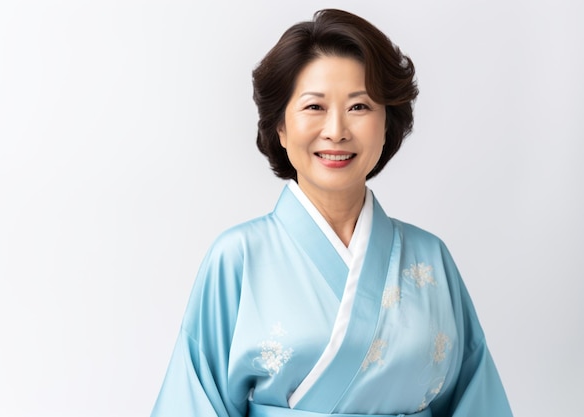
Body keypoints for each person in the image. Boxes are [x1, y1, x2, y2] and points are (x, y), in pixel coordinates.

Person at [151, 8, 512, 417]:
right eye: (314, 107)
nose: (337, 130)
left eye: (359, 107)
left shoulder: (431, 258)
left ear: (386, 124)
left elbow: (476, 400)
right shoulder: (237, 258)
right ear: (281, 128)